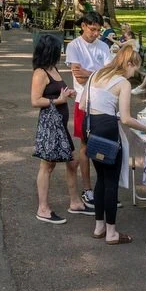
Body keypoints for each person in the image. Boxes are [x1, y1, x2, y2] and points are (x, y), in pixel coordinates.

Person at [84, 44, 146, 244]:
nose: (135, 73)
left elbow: (83, 104)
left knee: (100, 178)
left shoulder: (95, 75)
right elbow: (126, 118)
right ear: (129, 63)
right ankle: (111, 232)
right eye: (135, 68)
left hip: (91, 127)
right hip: (108, 130)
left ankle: (99, 226)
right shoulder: (122, 82)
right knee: (111, 182)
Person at [29, 33, 89, 223]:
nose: (61, 52)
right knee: (47, 165)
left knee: (72, 162)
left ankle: (75, 202)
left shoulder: (53, 68)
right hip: (51, 124)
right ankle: (43, 208)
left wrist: (66, 94)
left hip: (60, 123)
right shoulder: (40, 72)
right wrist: (58, 100)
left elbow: (57, 92)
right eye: (58, 50)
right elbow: (35, 100)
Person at [66, 13, 112, 206]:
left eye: (98, 30)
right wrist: (98, 74)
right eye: (92, 29)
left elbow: (111, 75)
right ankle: (87, 189)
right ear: (83, 26)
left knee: (104, 145)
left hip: (104, 101)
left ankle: (104, 187)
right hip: (84, 103)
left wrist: (89, 73)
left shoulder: (103, 46)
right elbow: (79, 77)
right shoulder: (74, 46)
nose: (96, 33)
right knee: (85, 146)